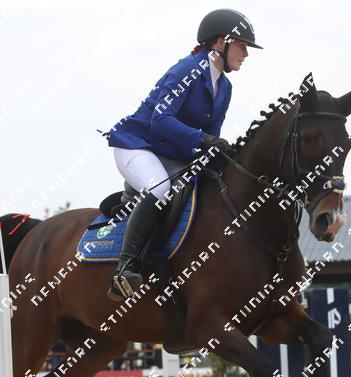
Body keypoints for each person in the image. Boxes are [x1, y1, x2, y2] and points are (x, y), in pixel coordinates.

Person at [103, 9, 262, 300]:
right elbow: (161, 119)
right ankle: (125, 268)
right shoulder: (187, 70)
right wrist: (204, 140)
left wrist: (220, 153)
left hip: (173, 155)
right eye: (242, 46)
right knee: (160, 189)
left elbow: (210, 136)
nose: (246, 54)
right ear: (220, 42)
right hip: (137, 146)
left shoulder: (224, 87)